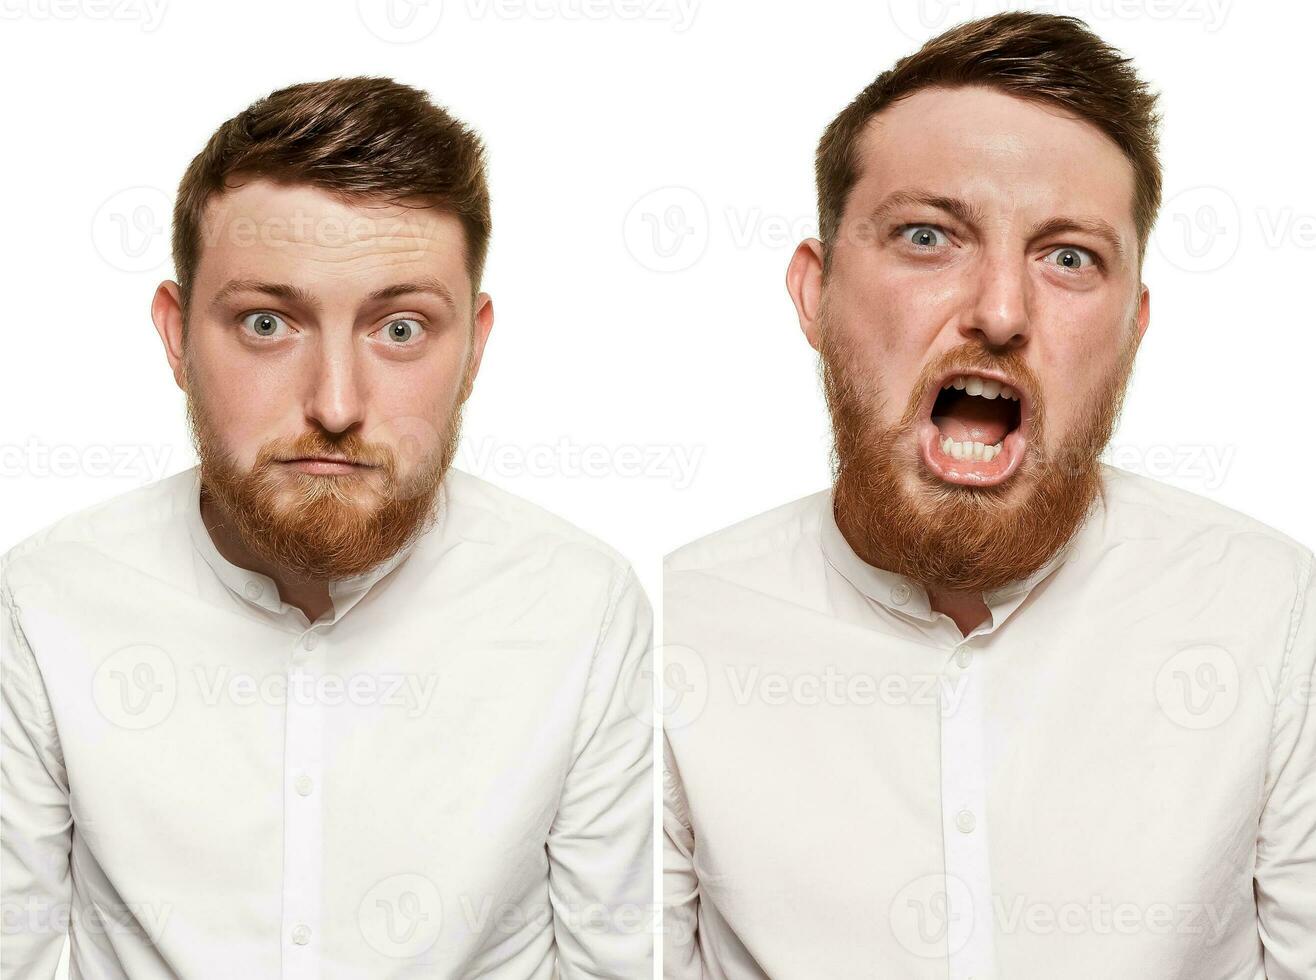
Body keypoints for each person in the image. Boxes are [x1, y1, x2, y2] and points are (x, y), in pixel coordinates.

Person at [662, 12, 1314, 979]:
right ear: (815, 291)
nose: (1002, 312)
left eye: (1068, 257)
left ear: (1133, 329)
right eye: (929, 236)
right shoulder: (670, 630)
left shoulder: (1277, 614)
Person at [1, 76, 652, 978]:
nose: (337, 405)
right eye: (267, 323)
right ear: (176, 336)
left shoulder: (583, 606)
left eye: (400, 328)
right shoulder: (44, 604)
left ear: (475, 347)